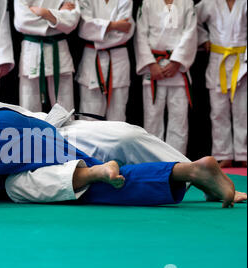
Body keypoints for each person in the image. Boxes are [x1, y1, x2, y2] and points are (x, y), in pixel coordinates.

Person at [0, 94, 247, 204]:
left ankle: (193, 170)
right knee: (22, 187)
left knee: (127, 137)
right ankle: (193, 171)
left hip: (52, 135)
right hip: (20, 167)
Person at [135, 0, 197, 155]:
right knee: (152, 118)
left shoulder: (187, 3)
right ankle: (154, 159)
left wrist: (176, 61)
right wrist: (151, 63)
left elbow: (190, 32)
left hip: (178, 69)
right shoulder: (148, 2)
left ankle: (178, 162)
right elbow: (140, 34)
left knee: (179, 120)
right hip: (154, 67)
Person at [196, 0, 247, 168]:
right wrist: (203, 39)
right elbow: (190, 20)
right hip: (218, 60)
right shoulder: (209, 2)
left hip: (242, 60)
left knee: (243, 110)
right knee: (218, 111)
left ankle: (243, 152)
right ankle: (223, 153)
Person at [14, 0, 80, 112]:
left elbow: (72, 21)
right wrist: (58, 16)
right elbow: (22, 21)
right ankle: (30, 129)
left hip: (59, 48)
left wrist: (44, 13)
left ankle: (64, 129)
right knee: (29, 106)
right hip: (32, 48)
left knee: (65, 108)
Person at [76, 0, 135, 121]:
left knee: (118, 117)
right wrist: (114, 25)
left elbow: (126, 30)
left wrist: (98, 31)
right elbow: (84, 27)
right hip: (92, 59)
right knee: (89, 116)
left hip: (118, 59)